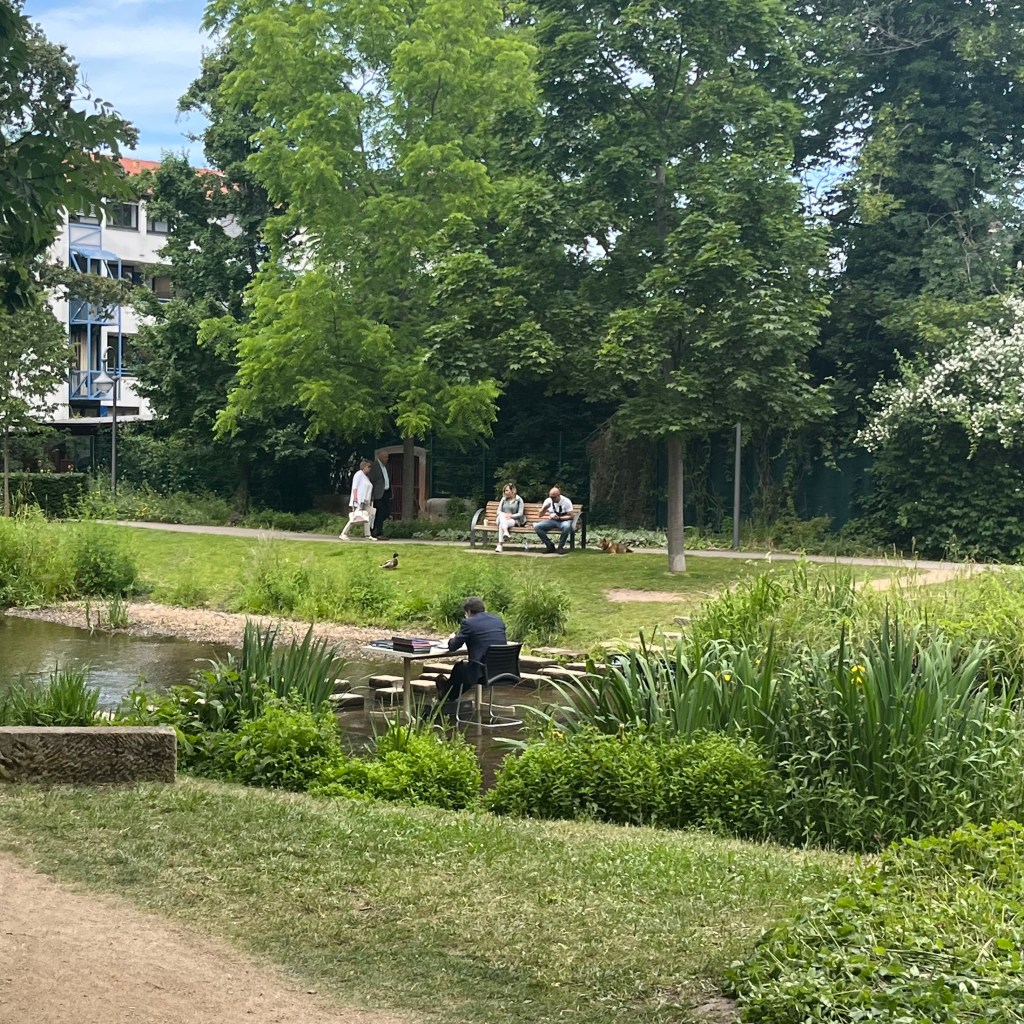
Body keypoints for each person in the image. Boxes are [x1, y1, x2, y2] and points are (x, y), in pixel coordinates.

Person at [435, 596, 507, 706]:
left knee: (460, 668)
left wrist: (452, 638)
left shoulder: (469, 623)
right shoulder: (498, 620)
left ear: (468, 611)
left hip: (482, 673)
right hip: (501, 671)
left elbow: (453, 646)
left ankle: (446, 694)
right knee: (466, 669)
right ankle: (446, 692)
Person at [339, 458, 374, 539]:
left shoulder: (365, 477)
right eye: (369, 467)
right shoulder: (359, 474)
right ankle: (343, 533)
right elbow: (355, 487)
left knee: (366, 517)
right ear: (364, 467)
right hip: (359, 500)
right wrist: (355, 498)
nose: (370, 469)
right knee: (355, 517)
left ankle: (367, 534)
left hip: (365, 500)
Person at [533, 486, 574, 553]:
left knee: (566, 527)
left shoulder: (566, 501)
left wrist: (560, 518)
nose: (552, 499)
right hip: (552, 520)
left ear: (558, 495)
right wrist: (545, 508)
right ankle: (550, 546)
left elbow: (571, 516)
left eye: (553, 497)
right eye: (550, 497)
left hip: (563, 520)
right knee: (537, 526)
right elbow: (540, 515)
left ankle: (560, 547)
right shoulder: (548, 501)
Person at [494, 482, 525, 552]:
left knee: (501, 525)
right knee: (501, 516)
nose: (505, 492)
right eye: (505, 491)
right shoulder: (503, 499)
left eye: (507, 490)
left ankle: (500, 545)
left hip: (512, 520)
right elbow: (498, 512)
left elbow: (520, 513)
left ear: (512, 491)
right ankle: (505, 531)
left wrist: (511, 516)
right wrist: (505, 515)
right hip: (501, 518)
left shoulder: (519, 500)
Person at [369, 449, 392, 540]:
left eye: (387, 457)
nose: (387, 458)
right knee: (380, 511)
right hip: (378, 494)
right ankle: (377, 532)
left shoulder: (386, 466)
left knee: (386, 512)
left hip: (386, 492)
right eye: (385, 457)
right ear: (380, 457)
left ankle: (377, 529)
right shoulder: (374, 466)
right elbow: (372, 481)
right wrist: (372, 495)